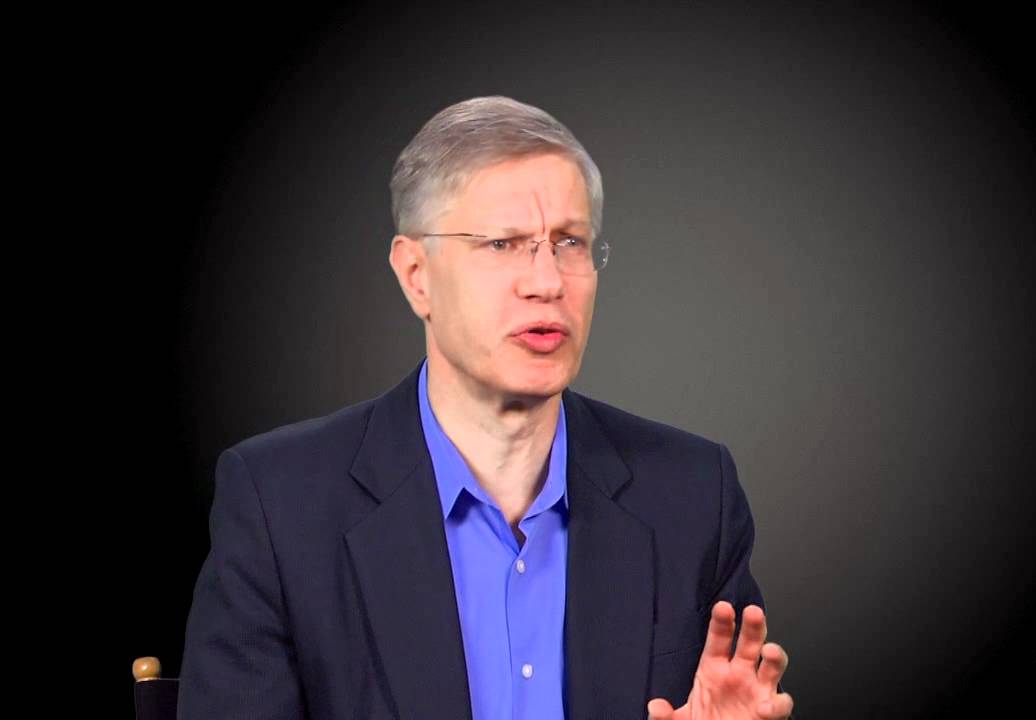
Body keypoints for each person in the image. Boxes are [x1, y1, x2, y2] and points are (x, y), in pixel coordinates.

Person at [177, 95, 794, 720]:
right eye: (503, 243)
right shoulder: (279, 505)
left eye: (570, 242)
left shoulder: (695, 494)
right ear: (416, 274)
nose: (547, 281)